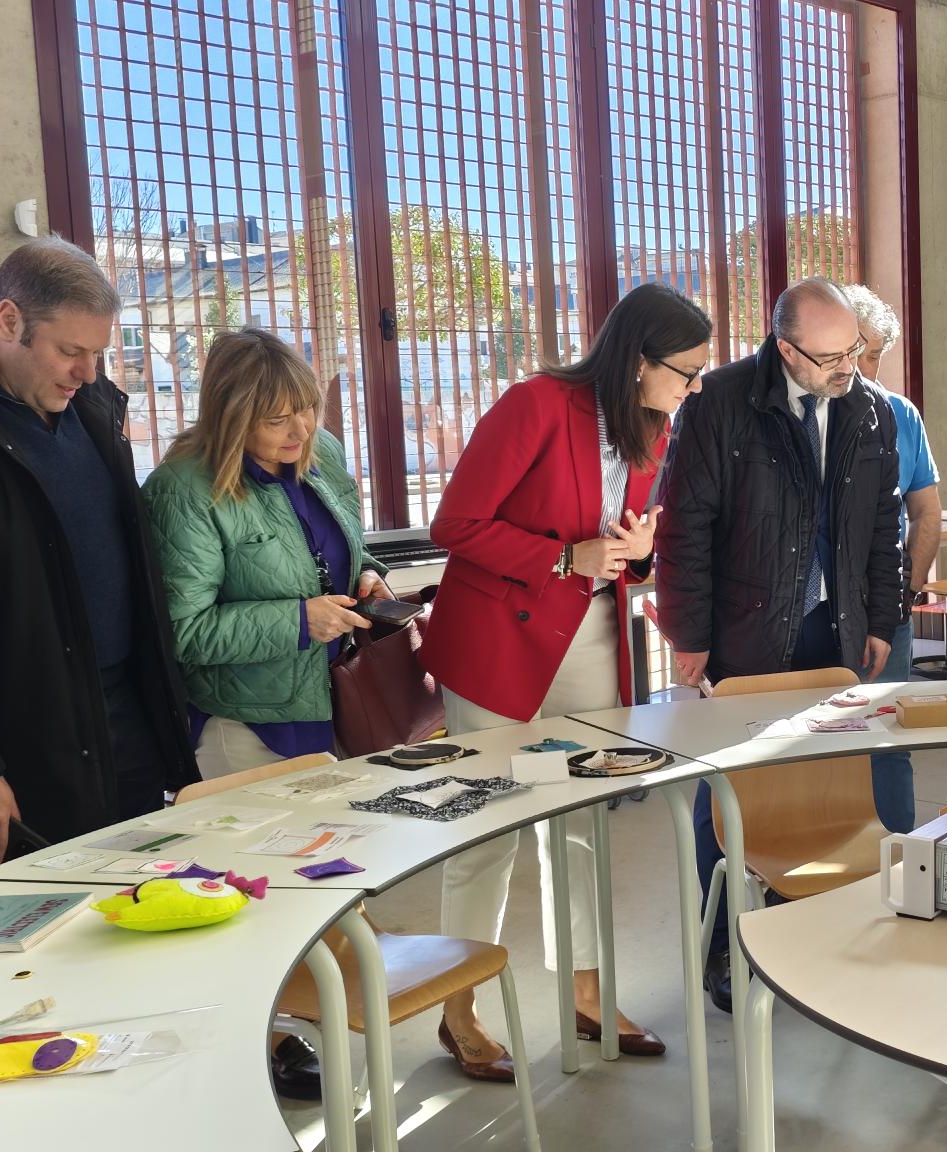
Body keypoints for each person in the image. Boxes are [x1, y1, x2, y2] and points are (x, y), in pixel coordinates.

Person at [424, 282, 712, 1066]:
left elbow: (623, 539)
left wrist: (640, 548)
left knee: (580, 820)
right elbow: (454, 524)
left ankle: (585, 992)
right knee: (488, 829)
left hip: (590, 636)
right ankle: (458, 1007)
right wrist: (561, 556)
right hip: (500, 643)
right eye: (685, 372)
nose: (692, 389)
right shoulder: (535, 405)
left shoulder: (650, 425)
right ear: (639, 359)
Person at [0, 236, 198, 866]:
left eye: (98, 353)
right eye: (69, 351)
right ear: (9, 321)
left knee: (141, 907)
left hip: (123, 719)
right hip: (19, 737)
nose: (87, 371)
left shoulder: (95, 409)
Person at [138, 328, 391, 1096]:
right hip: (244, 722)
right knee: (259, 893)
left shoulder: (323, 455)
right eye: (278, 419)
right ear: (229, 414)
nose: (300, 432)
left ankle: (298, 1024)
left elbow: (348, 548)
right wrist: (294, 621)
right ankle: (262, 1044)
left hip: (333, 708)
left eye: (307, 411)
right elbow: (181, 632)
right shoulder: (183, 490)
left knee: (327, 880)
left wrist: (372, 578)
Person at [655, 276, 904, 1012]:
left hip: (839, 627)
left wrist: (884, 619)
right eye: (827, 355)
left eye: (853, 349)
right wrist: (689, 635)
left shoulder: (872, 412)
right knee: (732, 789)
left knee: (830, 780)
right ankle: (726, 941)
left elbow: (882, 528)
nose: (845, 367)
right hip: (745, 627)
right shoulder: (721, 403)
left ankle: (816, 934)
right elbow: (683, 525)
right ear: (784, 347)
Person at [844, 283, 938, 833]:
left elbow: (927, 511)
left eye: (876, 354)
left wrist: (906, 589)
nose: (866, 367)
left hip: (885, 605)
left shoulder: (899, 414)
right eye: (858, 351)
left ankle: (901, 859)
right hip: (811, 607)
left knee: (888, 738)